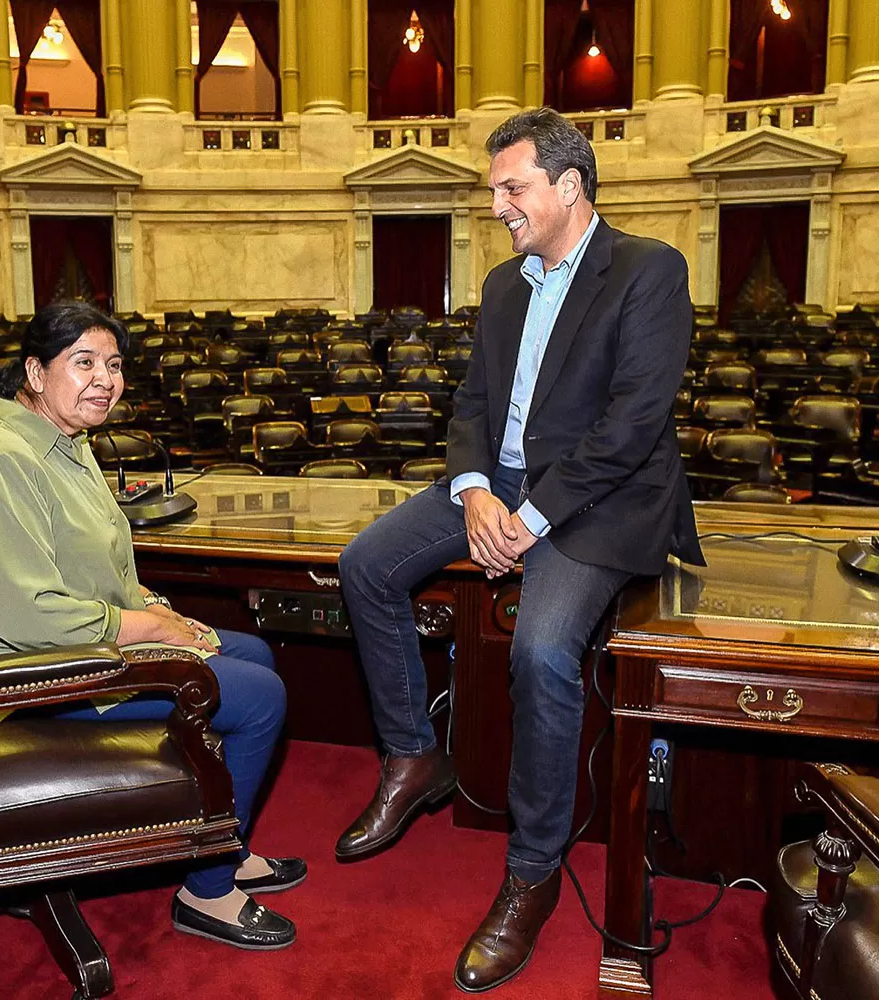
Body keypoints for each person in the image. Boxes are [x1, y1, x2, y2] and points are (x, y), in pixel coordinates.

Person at [335, 108, 706, 992]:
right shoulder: (505, 286)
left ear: (569, 186)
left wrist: (527, 521)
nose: (497, 204)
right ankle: (414, 755)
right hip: (497, 491)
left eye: (513, 188)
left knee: (542, 649)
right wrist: (473, 494)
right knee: (365, 566)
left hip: (600, 503)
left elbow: (632, 429)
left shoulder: (650, 270)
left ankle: (532, 871)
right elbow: (471, 406)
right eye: (494, 188)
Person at [0, 301, 303, 951]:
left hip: (81, 642)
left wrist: (167, 614)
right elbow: (24, 614)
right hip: (25, 678)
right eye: (84, 362)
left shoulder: (65, 445)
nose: (105, 378)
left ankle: (220, 839)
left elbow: (108, 573)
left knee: (254, 652)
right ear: (35, 371)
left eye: (113, 364)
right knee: (260, 698)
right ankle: (206, 889)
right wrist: (153, 631)